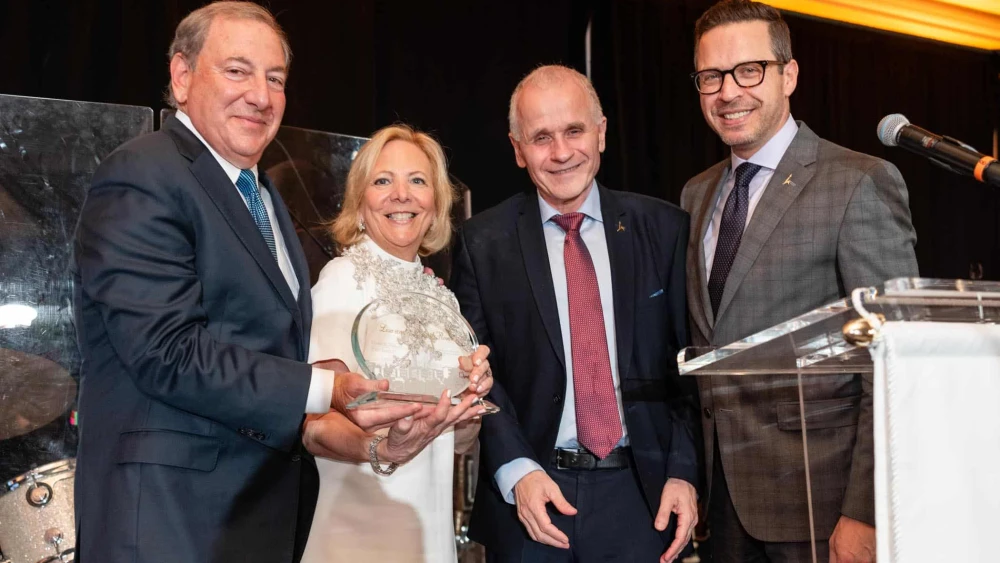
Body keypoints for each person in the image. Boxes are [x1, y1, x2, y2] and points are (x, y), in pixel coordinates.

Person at [72, 3, 419, 562]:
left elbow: (255, 346)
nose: (260, 94)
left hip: (249, 521)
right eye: (237, 70)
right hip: (169, 524)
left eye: (275, 78)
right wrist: (322, 388)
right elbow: (168, 353)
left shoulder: (263, 197)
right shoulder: (142, 172)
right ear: (181, 77)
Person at [681, 2, 918, 562]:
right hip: (722, 508)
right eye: (711, 76)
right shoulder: (696, 194)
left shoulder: (859, 183)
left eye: (749, 70)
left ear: (789, 74)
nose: (728, 91)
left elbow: (894, 362)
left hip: (823, 508)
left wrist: (865, 512)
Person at [451, 65, 699, 563]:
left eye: (574, 130)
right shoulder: (482, 243)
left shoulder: (666, 229)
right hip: (533, 498)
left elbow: (690, 361)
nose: (561, 153)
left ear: (602, 132)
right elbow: (476, 371)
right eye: (541, 137)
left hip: (644, 496)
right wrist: (517, 471)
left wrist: (684, 470)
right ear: (518, 149)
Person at [299, 124, 493, 563]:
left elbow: (458, 442)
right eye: (383, 180)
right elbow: (314, 426)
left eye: (417, 181)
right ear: (360, 200)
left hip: (430, 534)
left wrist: (471, 403)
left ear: (436, 203)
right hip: (360, 535)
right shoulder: (342, 281)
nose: (401, 194)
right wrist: (382, 449)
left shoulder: (442, 298)